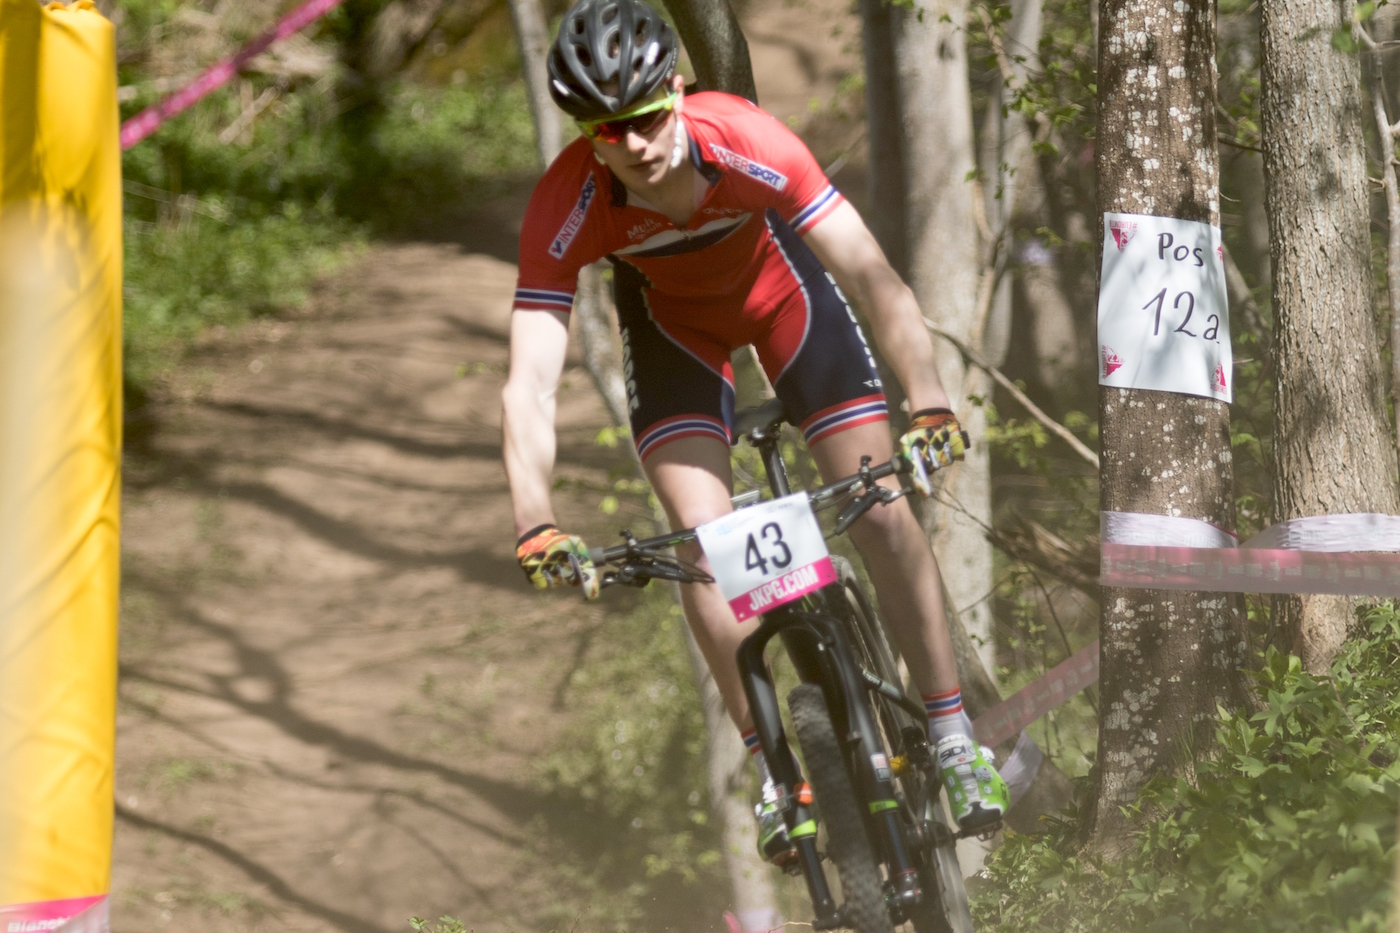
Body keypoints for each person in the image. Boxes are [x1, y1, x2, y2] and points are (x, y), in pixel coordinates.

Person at [501, 0, 1008, 866]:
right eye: (608, 131)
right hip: (673, 334)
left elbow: (873, 277)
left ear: (676, 90)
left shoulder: (745, 138)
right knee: (705, 545)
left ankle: (955, 737)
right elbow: (531, 381)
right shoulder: (568, 200)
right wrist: (534, 518)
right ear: (586, 135)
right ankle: (778, 775)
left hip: (783, 300)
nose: (634, 145)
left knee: (882, 510)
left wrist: (928, 403)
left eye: (647, 117)